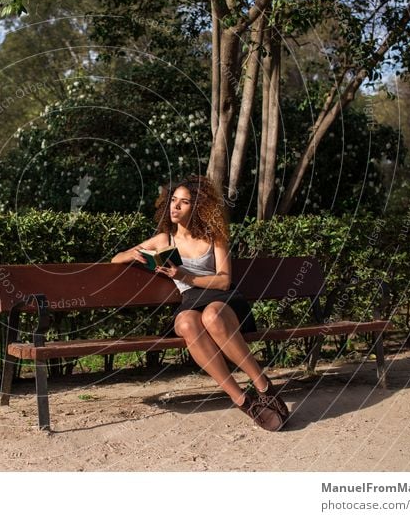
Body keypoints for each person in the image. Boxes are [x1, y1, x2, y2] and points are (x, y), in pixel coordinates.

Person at [111, 175, 289, 431]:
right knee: (184, 322)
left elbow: (224, 281)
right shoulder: (164, 240)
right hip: (191, 301)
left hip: (223, 302)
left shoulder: (214, 236)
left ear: (197, 207)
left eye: (184, 202)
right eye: (173, 201)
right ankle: (242, 399)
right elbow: (116, 258)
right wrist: (135, 254)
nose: (175, 207)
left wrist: (183, 276)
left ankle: (264, 386)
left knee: (212, 317)